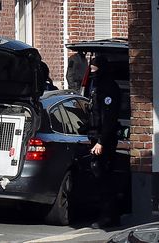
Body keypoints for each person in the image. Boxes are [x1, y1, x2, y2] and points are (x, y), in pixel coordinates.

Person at [87, 55, 121, 229]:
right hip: (97, 137)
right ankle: (108, 214)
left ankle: (108, 216)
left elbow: (108, 118)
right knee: (100, 177)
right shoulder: (97, 86)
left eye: (94, 69)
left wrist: (101, 141)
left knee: (104, 177)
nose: (92, 72)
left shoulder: (108, 88)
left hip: (104, 139)